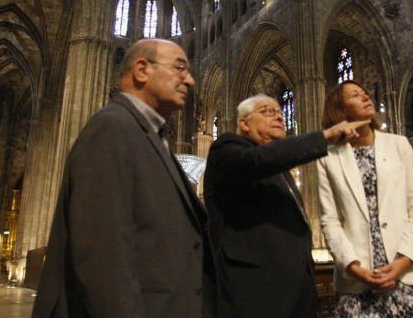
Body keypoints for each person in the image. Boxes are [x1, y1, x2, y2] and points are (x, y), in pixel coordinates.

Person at [32, 39, 214, 318]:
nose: (189, 80)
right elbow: (103, 260)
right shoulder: (112, 128)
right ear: (141, 70)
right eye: (179, 68)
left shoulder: (148, 136)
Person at [204, 94, 368, 317]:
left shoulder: (281, 170)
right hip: (254, 296)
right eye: (268, 112)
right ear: (244, 123)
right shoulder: (225, 149)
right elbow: (257, 161)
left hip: (297, 295)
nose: (280, 117)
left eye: (280, 112)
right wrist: (324, 137)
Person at [317, 80, 413, 317]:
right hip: (357, 281)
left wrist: (402, 263)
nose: (366, 96)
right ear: (340, 110)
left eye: (365, 93)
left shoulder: (399, 144)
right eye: (355, 95)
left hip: (408, 273)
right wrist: (354, 268)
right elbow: (329, 220)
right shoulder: (328, 158)